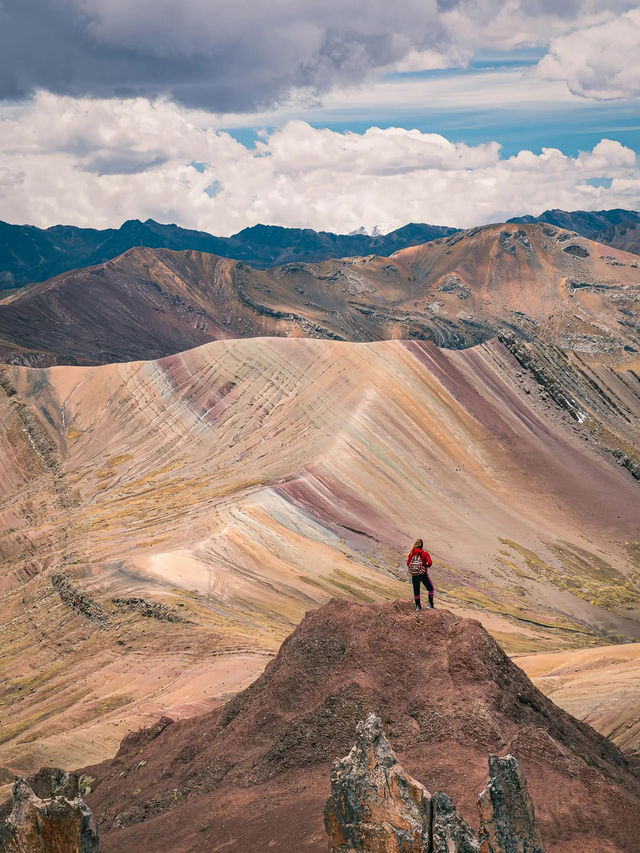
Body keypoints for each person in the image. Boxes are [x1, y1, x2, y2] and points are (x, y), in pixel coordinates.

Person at [406, 538, 434, 610]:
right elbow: (430, 563)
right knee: (430, 588)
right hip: (423, 574)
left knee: (416, 590)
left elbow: (408, 564)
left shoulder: (411, 553)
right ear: (422, 546)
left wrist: (414, 569)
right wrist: (426, 566)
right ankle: (431, 605)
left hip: (414, 575)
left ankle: (418, 606)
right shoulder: (425, 554)